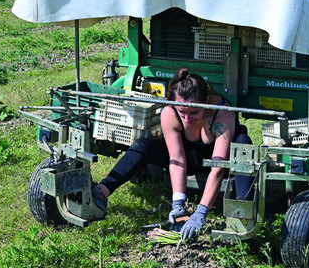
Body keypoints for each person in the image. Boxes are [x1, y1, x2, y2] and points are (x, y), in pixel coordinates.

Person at [92, 68, 253, 240]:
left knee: (244, 143)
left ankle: (243, 217)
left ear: (205, 101)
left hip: (223, 163)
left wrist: (201, 212)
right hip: (189, 160)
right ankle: (101, 192)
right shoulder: (170, 112)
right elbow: (177, 159)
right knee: (142, 146)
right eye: (182, 112)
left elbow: (218, 168)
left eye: (194, 112)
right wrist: (178, 205)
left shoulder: (221, 112)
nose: (187, 119)